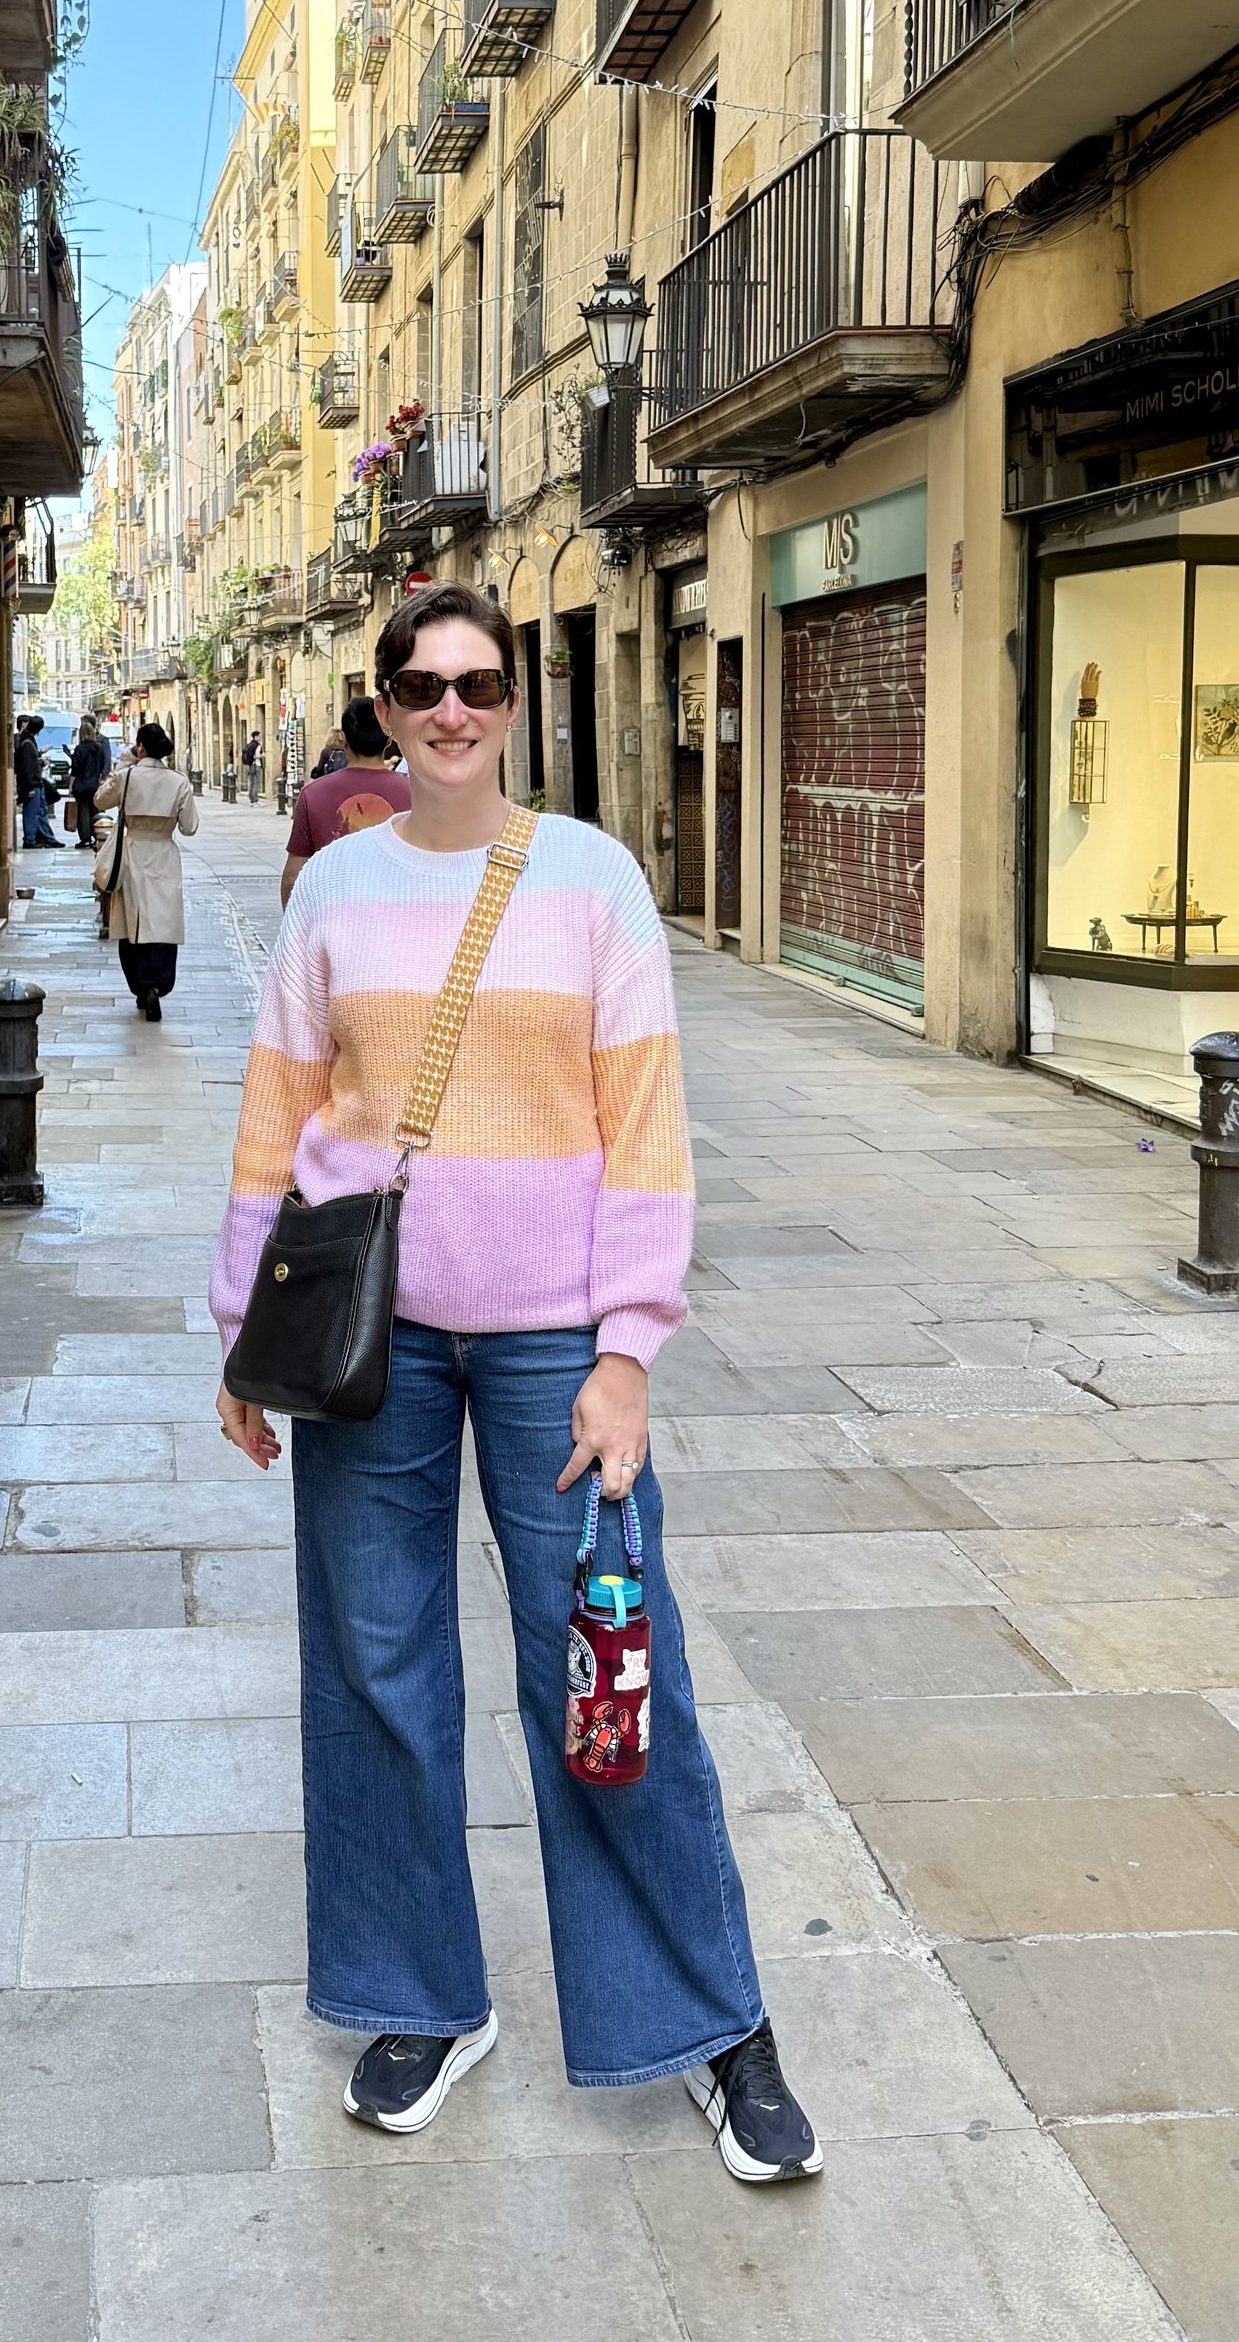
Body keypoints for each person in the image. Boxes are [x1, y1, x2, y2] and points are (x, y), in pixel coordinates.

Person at [211, 581, 816, 2184]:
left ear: (513, 703)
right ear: (387, 704)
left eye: (479, 684)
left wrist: (628, 1351)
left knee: (609, 1673)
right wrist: (239, 1328)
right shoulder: (334, 888)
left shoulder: (591, 880)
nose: (453, 710)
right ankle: (420, 1993)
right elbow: (278, 1121)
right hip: (371, 1345)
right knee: (378, 1662)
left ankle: (706, 2021)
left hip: (557, 1343)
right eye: (423, 685)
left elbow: (651, 1132)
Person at [95, 722, 198, 1019]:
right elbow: (190, 827)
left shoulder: (126, 777)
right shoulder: (179, 782)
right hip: (164, 855)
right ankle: (158, 985)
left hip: (133, 854)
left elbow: (99, 800)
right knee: (162, 923)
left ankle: (141, 986)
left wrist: (123, 767)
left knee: (132, 922)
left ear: (139, 747)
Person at [280, 694, 408, 906]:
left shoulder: (312, 795)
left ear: (344, 741)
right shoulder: (415, 794)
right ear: (388, 739)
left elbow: (292, 877)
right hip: (399, 921)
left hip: (332, 920)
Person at [13, 715, 59, 849]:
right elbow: (27, 766)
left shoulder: (28, 741)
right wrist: (30, 787)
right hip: (32, 784)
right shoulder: (27, 743)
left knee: (41, 811)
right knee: (31, 813)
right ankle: (30, 839)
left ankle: (48, 838)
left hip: (35, 783)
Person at [69, 714, 109, 849]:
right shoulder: (99, 747)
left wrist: (70, 786)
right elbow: (103, 764)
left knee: (83, 812)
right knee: (95, 810)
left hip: (81, 784)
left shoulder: (79, 749)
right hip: (95, 784)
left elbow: (75, 769)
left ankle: (84, 838)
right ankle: (96, 834)